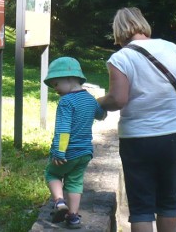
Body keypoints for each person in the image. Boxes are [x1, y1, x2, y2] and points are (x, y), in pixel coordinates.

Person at [97, 7, 176, 232]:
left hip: (138, 137)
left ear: (119, 30)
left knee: (141, 205)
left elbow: (118, 99)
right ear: (142, 24)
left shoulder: (121, 58)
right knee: (169, 199)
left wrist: (97, 102)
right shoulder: (172, 48)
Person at [43, 57, 107, 229]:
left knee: (52, 174)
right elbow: (101, 115)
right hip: (85, 152)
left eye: (56, 84)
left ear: (70, 78)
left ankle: (59, 202)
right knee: (75, 182)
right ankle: (73, 217)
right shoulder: (90, 99)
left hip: (68, 151)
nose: (55, 88)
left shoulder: (66, 101)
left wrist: (59, 151)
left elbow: (64, 129)